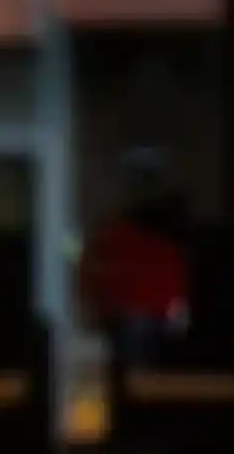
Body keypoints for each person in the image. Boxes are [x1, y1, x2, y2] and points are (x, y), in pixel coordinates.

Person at [79, 150, 193, 358]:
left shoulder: (169, 237)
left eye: (148, 182)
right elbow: (92, 275)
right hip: (126, 323)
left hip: (155, 323)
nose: (142, 191)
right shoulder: (112, 233)